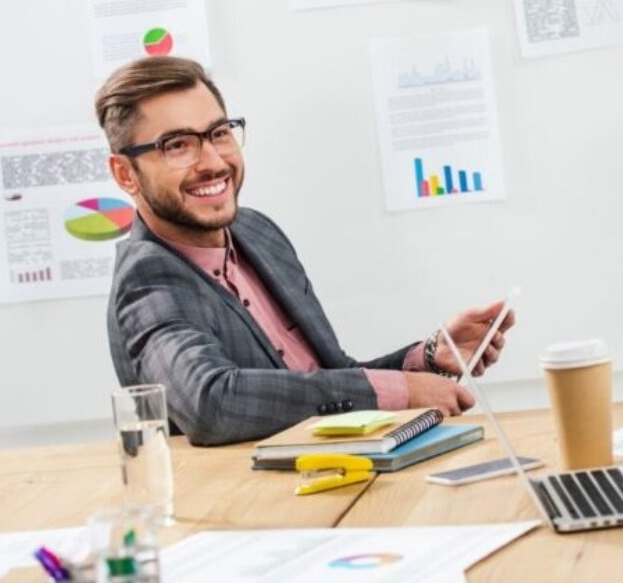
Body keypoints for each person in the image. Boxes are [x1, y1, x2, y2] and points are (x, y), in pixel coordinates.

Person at [99, 57, 513, 446]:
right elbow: (211, 402)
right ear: (125, 174)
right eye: (177, 145)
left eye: (219, 133)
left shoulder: (257, 233)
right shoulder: (148, 276)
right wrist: (401, 392)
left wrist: (422, 359)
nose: (212, 161)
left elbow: (324, 380)